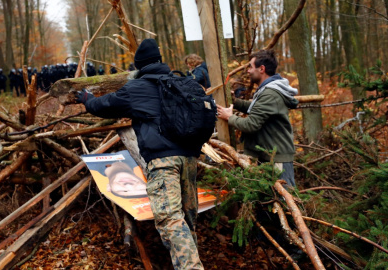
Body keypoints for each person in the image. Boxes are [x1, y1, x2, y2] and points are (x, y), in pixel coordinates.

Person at [75, 38, 204, 270]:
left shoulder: (136, 88)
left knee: (170, 219)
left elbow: (105, 105)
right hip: (190, 158)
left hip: (163, 162)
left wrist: (87, 99)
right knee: (187, 218)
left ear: (139, 65)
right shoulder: (178, 82)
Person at [216, 49, 299, 187]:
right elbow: (257, 109)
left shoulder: (270, 93)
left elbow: (251, 124)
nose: (248, 71)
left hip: (276, 157)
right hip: (269, 155)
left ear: (262, 69)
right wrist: (236, 102)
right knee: (269, 201)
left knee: (283, 201)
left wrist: (229, 117)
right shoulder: (268, 90)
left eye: (250, 66)